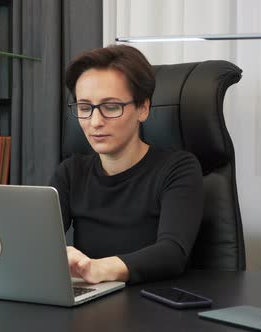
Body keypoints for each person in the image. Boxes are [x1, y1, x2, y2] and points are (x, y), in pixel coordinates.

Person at [50, 44, 204, 285]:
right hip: (89, 303)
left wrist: (98, 268)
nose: (95, 121)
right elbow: (39, 241)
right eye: (84, 108)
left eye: (111, 107)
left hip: (153, 307)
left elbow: (172, 252)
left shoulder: (178, 168)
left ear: (143, 108)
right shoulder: (71, 172)